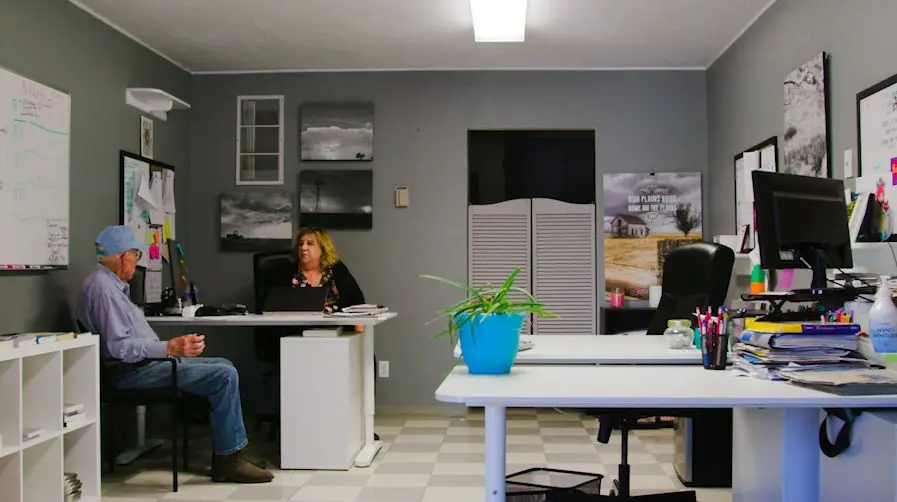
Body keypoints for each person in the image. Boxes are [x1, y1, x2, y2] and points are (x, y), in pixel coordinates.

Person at [76, 225, 273, 484]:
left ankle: (233, 450)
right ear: (123, 256)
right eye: (136, 255)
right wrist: (169, 348)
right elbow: (119, 348)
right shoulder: (103, 290)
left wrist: (168, 350)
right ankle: (228, 461)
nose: (137, 262)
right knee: (224, 374)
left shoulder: (109, 285)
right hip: (130, 372)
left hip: (143, 366)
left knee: (224, 365)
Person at [291, 227, 365, 320]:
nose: (303, 248)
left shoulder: (337, 269)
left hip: (335, 329)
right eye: (301, 244)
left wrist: (359, 322)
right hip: (295, 330)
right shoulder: (286, 271)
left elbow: (357, 300)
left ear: (323, 248)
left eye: (310, 244)